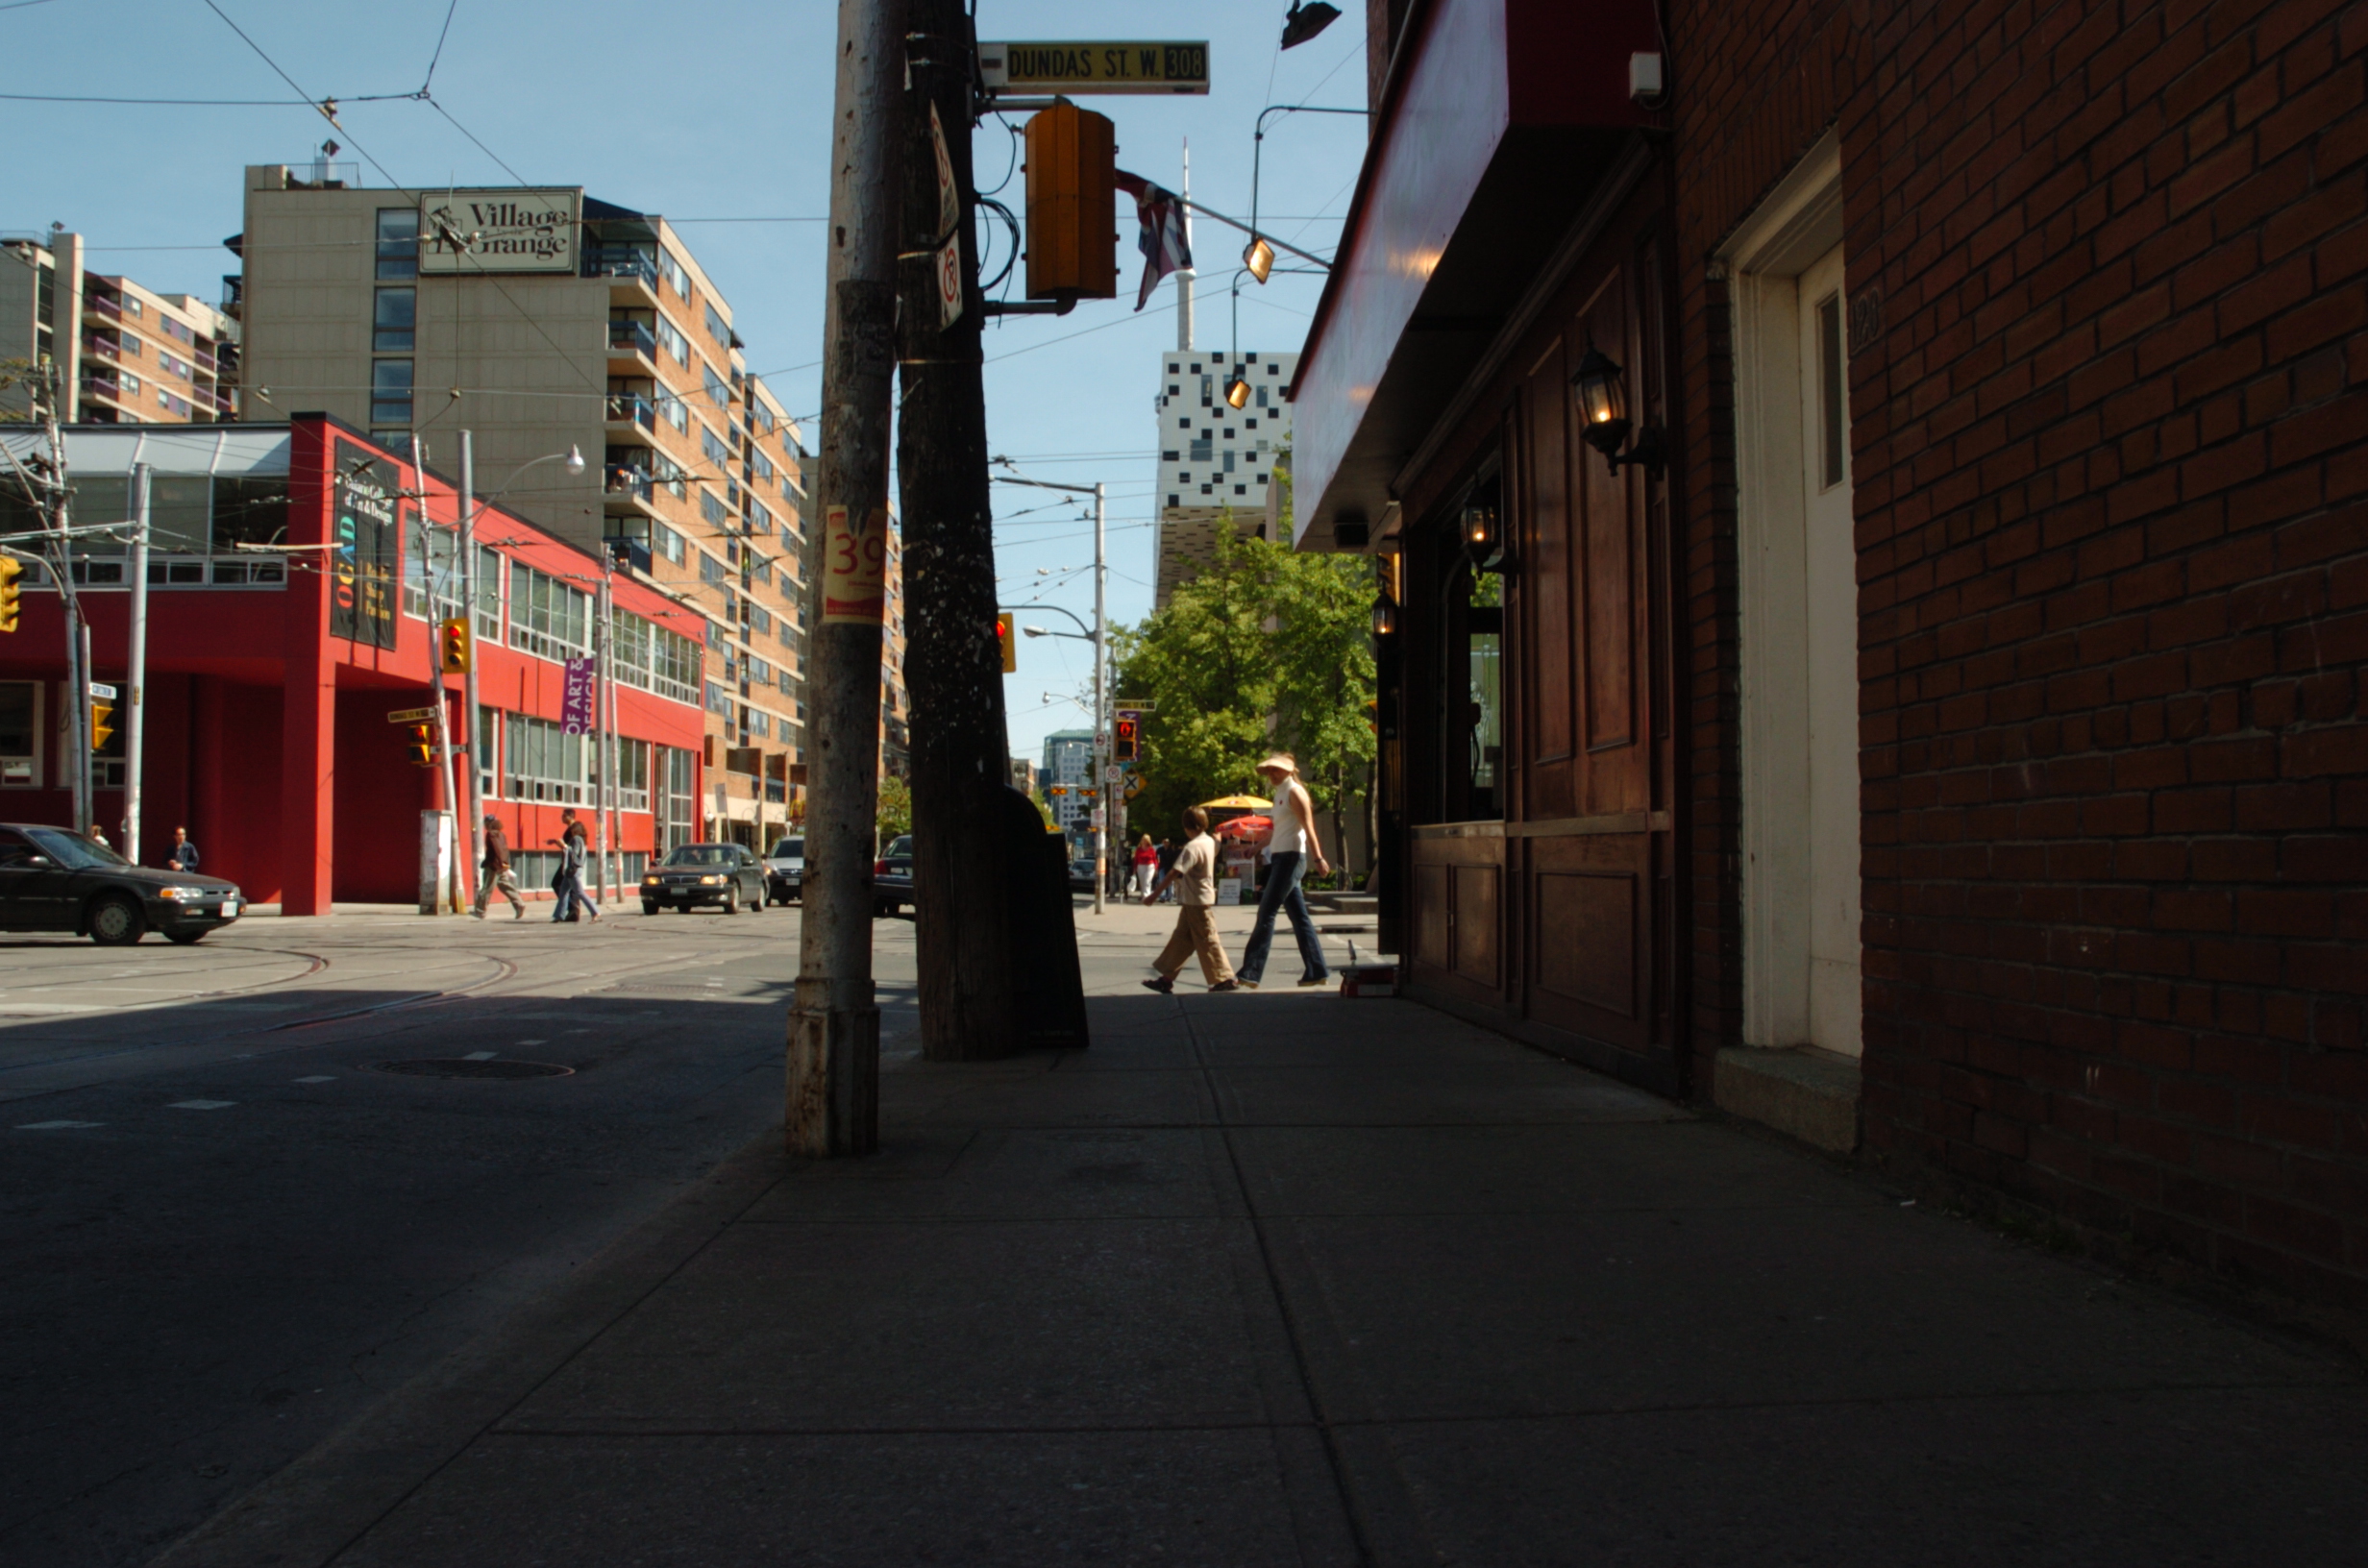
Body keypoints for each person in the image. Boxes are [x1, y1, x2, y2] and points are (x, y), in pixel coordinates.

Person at [1234, 752, 1330, 990]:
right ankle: (1316, 971)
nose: (1272, 775)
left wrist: (1318, 858)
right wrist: (1255, 847)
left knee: (1266, 912)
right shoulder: (1279, 794)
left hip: (1291, 858)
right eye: (1269, 771)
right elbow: (1276, 830)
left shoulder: (1294, 792)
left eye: (1275, 770)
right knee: (1299, 917)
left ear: (1289, 771)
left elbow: (1309, 827)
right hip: (1280, 858)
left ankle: (1250, 972)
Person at [1141, 807, 1238, 993]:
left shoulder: (1192, 847)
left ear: (1187, 827)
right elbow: (1216, 846)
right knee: (1181, 939)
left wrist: (1154, 895)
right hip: (1195, 900)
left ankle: (1225, 979)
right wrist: (1218, 838)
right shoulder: (1208, 842)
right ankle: (1166, 979)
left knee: (1208, 939)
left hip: (1197, 901)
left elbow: (1174, 872)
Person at [546, 809, 601, 923]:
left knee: (579, 892)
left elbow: (573, 854)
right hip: (570, 868)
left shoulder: (576, 839)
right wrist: (559, 843)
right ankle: (559, 916)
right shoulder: (578, 839)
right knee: (563, 892)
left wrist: (564, 846)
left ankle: (595, 912)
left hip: (574, 869)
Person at [472, 815, 526, 919]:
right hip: (501, 865)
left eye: (485, 823)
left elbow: (498, 849)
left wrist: (498, 863)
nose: (484, 825)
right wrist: (505, 864)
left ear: (489, 823)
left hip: (493, 866)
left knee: (487, 888)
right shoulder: (501, 834)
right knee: (505, 885)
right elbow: (505, 850)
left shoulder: (491, 834)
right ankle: (519, 904)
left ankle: (480, 911)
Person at [1131, 833, 1158, 898]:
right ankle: (1143, 895)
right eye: (1143, 839)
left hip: (1150, 866)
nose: (1144, 841)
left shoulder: (1151, 849)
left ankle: (1147, 896)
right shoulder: (1138, 849)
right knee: (1142, 882)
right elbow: (1136, 860)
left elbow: (1155, 859)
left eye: (1146, 840)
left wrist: (1156, 868)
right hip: (1141, 867)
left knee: (1147, 881)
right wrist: (1134, 869)